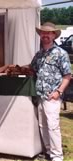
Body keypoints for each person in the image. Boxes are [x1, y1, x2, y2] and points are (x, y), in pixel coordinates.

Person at [29, 22, 72, 161]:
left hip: (53, 96)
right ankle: (48, 151)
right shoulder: (39, 54)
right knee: (43, 125)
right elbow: (32, 68)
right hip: (40, 95)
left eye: (48, 33)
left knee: (53, 126)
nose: (45, 35)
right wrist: (14, 67)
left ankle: (57, 156)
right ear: (40, 35)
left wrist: (58, 92)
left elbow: (67, 75)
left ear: (54, 35)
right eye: (43, 32)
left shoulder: (61, 53)